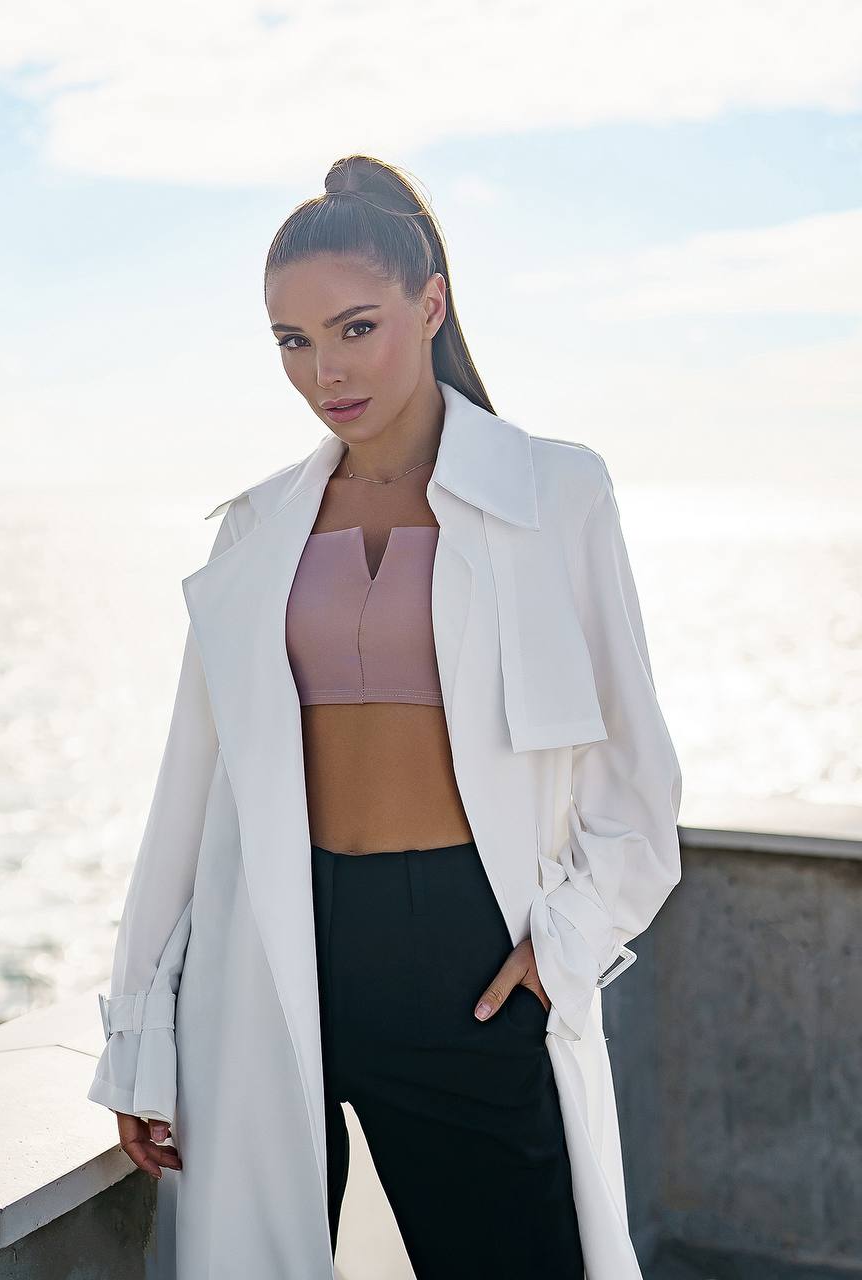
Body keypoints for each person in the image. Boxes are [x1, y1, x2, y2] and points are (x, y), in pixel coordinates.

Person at [88, 153, 683, 1280]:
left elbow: (636, 779)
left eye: (354, 327)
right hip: (271, 954)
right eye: (292, 340)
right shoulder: (256, 529)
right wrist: (141, 1042)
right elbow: (189, 797)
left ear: (432, 303)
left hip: (466, 958)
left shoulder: (553, 493)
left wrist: (559, 952)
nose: (325, 370)